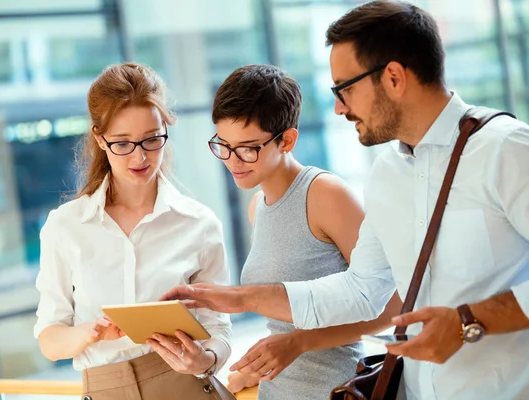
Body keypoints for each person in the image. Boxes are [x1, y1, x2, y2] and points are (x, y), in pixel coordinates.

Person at [160, 2, 529, 399]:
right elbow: (361, 290)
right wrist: (242, 297)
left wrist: (467, 321)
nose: (339, 107)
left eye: (345, 88)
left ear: (392, 77)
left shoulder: (505, 150)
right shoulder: (387, 173)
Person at [34, 62, 235, 400]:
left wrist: (207, 357)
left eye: (151, 139)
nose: (140, 156)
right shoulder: (66, 226)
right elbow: (49, 342)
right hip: (104, 388)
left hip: (186, 388)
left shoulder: (198, 223)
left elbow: (219, 329)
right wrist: (91, 333)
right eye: (123, 143)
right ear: (100, 138)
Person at [206, 64, 401, 399]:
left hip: (334, 390)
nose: (233, 160)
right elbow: (284, 322)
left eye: (248, 148)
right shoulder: (258, 207)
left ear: (287, 140)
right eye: (223, 145)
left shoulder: (326, 194)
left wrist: (303, 342)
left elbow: (393, 305)